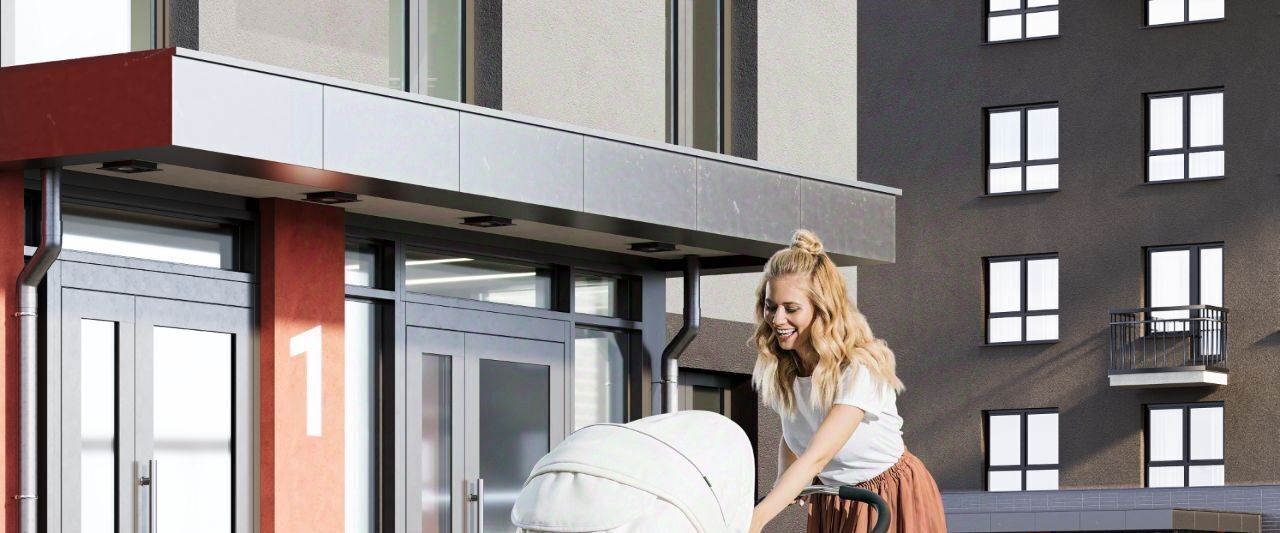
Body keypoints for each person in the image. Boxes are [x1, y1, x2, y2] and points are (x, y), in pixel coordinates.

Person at [748, 230, 947, 533]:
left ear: (822, 309)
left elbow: (817, 456)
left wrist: (756, 519)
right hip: (835, 501)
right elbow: (796, 433)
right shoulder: (785, 370)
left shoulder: (857, 369)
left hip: (887, 497)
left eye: (791, 309)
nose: (777, 319)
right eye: (771, 306)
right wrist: (783, 480)